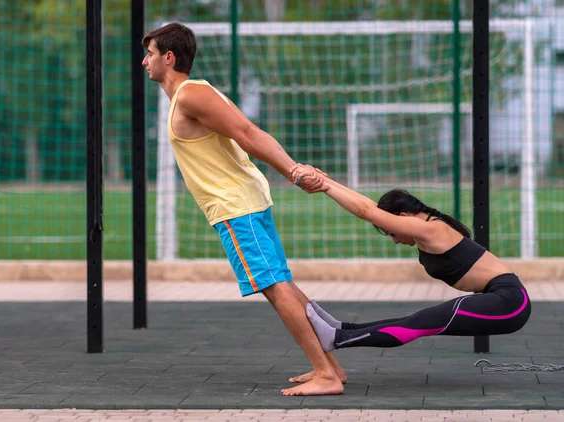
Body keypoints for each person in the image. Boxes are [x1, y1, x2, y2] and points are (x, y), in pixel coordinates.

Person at [141, 23, 344, 396]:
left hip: (237, 207)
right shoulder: (188, 97)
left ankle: (326, 375)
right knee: (282, 283)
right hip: (243, 202)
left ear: (168, 58)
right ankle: (331, 367)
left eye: (149, 54)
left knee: (274, 287)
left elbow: (248, 133)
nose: (144, 62)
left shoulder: (191, 95)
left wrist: (293, 171)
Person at [290, 165, 531, 352]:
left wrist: (325, 186)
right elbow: (369, 206)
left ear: (404, 217)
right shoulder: (428, 224)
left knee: (420, 322)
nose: (395, 239)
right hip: (504, 299)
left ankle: (336, 339)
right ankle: (344, 328)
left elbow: (367, 212)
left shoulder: (431, 229)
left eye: (392, 232)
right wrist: (325, 181)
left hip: (510, 304)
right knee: (417, 319)